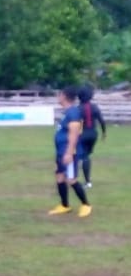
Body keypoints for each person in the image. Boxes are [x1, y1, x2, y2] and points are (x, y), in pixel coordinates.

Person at [49, 87, 92, 217]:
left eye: (59, 94)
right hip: (61, 151)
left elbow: (74, 133)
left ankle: (86, 204)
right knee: (60, 177)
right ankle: (64, 205)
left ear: (64, 96)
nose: (57, 97)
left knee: (71, 179)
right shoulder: (67, 112)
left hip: (69, 152)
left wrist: (68, 152)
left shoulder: (73, 112)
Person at [77, 86, 106, 188]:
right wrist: (104, 133)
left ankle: (87, 182)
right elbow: (102, 121)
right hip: (93, 134)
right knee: (86, 156)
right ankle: (87, 181)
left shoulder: (79, 108)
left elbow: (78, 124)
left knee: (82, 157)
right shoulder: (95, 107)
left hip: (83, 134)